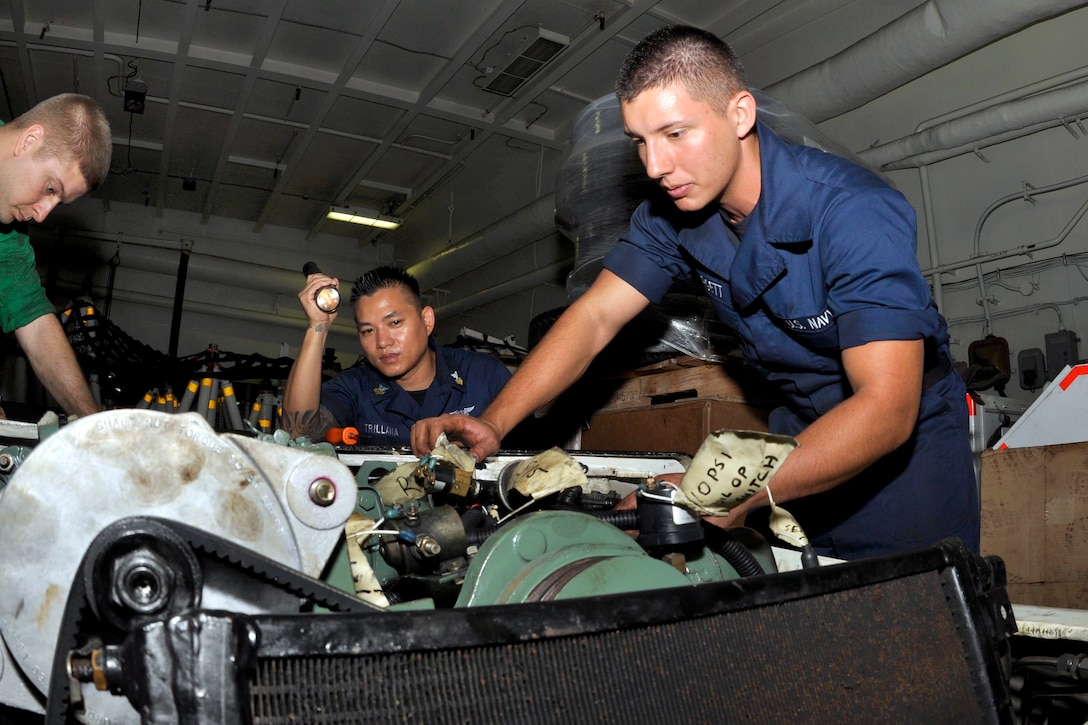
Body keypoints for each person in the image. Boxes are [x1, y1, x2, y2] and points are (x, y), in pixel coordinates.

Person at [412, 25, 978, 560]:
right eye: (640, 141)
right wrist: (495, 421)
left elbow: (886, 408)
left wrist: (716, 493)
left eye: (675, 134)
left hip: (905, 454)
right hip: (799, 432)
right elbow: (596, 317)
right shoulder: (671, 213)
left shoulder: (852, 211)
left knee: (917, 627)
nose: (656, 165)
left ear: (739, 114)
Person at [281, 265, 511, 448]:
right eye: (368, 331)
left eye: (395, 323)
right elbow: (299, 433)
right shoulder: (355, 387)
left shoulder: (484, 375)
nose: (382, 342)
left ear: (427, 321)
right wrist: (317, 326)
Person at [0, 93, 112, 418]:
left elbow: (33, 321)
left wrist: (92, 421)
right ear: (30, 140)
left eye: (57, 203)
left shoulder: (7, 234)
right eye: (51, 189)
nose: (41, 216)